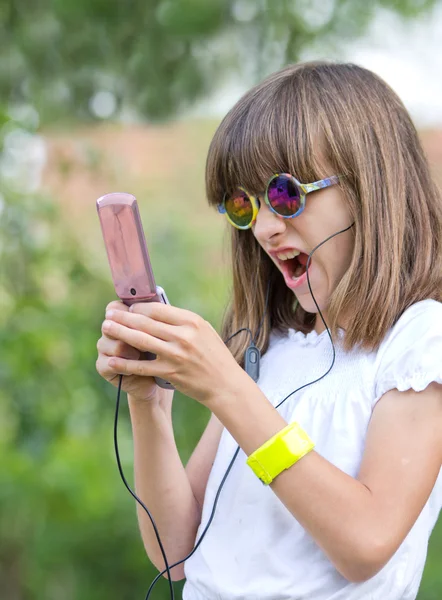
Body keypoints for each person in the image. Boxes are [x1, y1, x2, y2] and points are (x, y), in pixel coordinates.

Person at [95, 62, 442, 600]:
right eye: (244, 205)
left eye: (285, 195)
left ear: (370, 187)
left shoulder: (420, 341)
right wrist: (149, 404)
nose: (264, 227)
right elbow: (174, 552)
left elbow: (366, 542)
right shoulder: (269, 344)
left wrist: (227, 389)